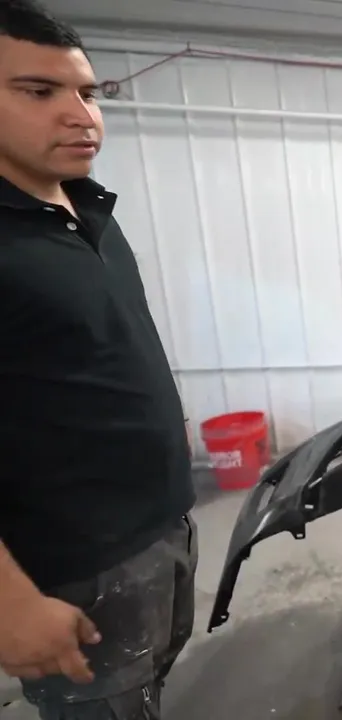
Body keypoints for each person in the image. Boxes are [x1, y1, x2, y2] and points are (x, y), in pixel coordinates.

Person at [0, 2, 198, 718]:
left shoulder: (88, 211)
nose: (82, 115)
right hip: (76, 565)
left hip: (163, 526)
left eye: (88, 93)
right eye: (38, 91)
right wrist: (9, 601)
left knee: (147, 690)